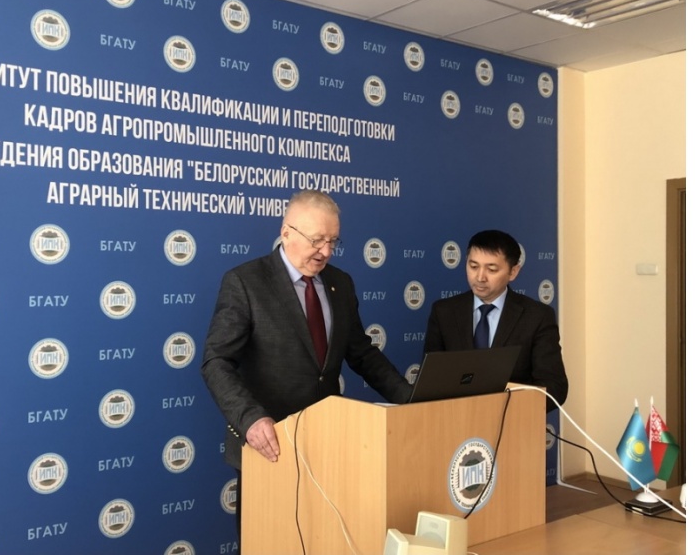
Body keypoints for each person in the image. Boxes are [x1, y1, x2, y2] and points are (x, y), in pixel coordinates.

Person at [201, 189, 412, 542]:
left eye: (333, 241)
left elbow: (361, 354)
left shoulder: (340, 283)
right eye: (317, 240)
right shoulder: (245, 282)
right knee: (267, 544)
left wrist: (411, 399)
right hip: (270, 446)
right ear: (286, 232)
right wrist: (250, 419)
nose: (326, 251)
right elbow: (216, 361)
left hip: (326, 444)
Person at [423, 229, 568, 410]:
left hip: (514, 420)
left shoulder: (537, 316)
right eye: (473, 266)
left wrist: (502, 407)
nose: (480, 277)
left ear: (513, 272)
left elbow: (554, 387)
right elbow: (431, 382)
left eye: (491, 269)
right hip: (455, 420)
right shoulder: (444, 312)